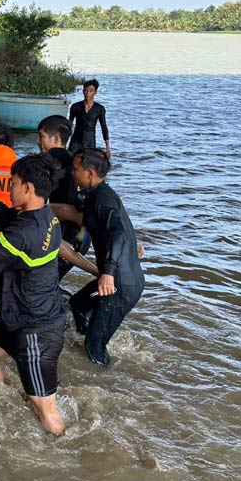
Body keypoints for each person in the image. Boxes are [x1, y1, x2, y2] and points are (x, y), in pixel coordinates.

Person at [0, 154, 67, 436]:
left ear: (28, 187)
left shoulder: (24, 233)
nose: (9, 188)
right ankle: (7, 406)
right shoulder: (45, 217)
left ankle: (61, 448)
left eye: (12, 183)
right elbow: (10, 221)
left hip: (37, 330)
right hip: (29, 317)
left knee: (45, 408)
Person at [65, 148, 144, 367]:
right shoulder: (96, 194)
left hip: (119, 285)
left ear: (90, 174)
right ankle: (86, 343)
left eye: (75, 169)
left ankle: (106, 375)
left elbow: (119, 233)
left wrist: (107, 273)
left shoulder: (103, 199)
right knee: (78, 304)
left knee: (94, 346)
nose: (72, 172)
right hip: (120, 279)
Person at [38, 115, 90, 279]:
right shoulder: (75, 162)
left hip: (63, 235)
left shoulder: (47, 162)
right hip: (83, 235)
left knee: (42, 280)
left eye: (41, 136)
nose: (38, 142)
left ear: (56, 138)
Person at [68, 79, 110, 158]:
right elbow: (69, 125)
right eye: (86, 90)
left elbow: (104, 128)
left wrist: (108, 147)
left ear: (95, 92)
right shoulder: (75, 107)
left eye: (91, 91)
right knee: (70, 160)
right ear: (83, 91)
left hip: (90, 142)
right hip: (75, 141)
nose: (88, 93)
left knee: (88, 162)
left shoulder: (99, 109)